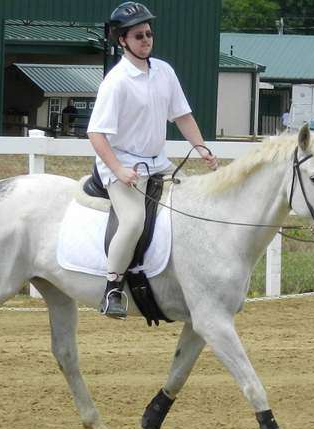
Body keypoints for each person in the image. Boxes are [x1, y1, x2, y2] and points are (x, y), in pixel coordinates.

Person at [87, 2, 218, 319]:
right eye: (138, 35)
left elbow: (182, 115)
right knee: (132, 221)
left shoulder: (164, 71)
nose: (146, 39)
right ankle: (113, 288)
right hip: (122, 167)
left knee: (199, 204)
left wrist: (200, 147)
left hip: (158, 162)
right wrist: (118, 169)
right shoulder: (116, 82)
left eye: (149, 33)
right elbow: (96, 134)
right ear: (122, 41)